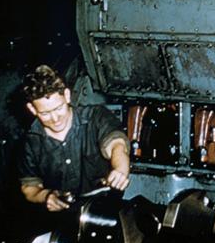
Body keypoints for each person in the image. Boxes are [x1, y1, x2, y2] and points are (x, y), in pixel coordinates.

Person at [18, 65, 131, 212]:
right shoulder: (30, 142)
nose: (55, 119)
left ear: (67, 95)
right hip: (60, 220)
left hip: (104, 210)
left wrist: (120, 169)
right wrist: (46, 196)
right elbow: (29, 187)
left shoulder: (96, 117)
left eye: (59, 108)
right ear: (32, 109)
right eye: (45, 113)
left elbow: (117, 144)